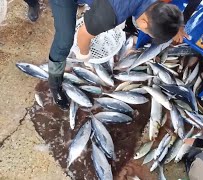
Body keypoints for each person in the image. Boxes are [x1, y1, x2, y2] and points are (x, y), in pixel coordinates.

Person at [47, 0, 183, 110]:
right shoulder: (110, 15)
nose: (147, 34)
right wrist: (84, 54)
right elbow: (83, 34)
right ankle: (55, 83)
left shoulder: (151, 7)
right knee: (64, 41)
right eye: (148, 32)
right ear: (143, 23)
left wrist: (174, 25)